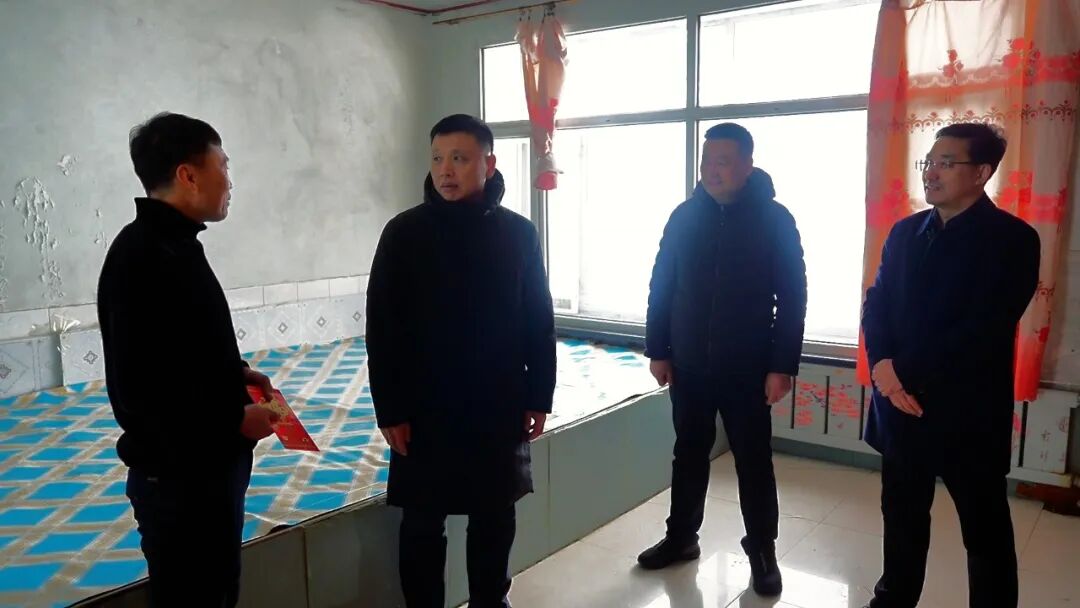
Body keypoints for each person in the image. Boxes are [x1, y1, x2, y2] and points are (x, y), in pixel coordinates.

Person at [366, 114, 556, 608]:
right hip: (424, 406)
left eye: (459, 158)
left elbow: (538, 317)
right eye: (437, 158)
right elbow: (382, 329)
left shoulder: (518, 234)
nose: (446, 170)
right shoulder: (404, 234)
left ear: (488, 164)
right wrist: (390, 409)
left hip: (497, 400)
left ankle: (490, 599)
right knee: (422, 520)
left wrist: (539, 394)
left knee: (495, 513)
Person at [98, 112, 281, 608]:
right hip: (179, 481)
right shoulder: (143, 256)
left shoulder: (176, 245)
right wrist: (233, 420)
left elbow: (178, 352)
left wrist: (237, 374)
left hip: (204, 472)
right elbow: (141, 392)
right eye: (223, 165)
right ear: (188, 174)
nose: (230, 180)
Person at [861, 123, 1040, 608]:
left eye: (946, 163)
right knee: (901, 517)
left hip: (968, 413)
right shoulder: (905, 232)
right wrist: (882, 367)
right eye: (929, 162)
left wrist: (900, 373)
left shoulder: (1013, 240)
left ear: (981, 173)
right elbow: (877, 302)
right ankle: (892, 600)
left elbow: (983, 327)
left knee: (984, 530)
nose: (931, 172)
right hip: (901, 409)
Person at [639, 122, 807, 597]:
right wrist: (658, 348)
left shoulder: (774, 220)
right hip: (688, 363)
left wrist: (782, 365)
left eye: (724, 161)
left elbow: (793, 296)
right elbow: (661, 284)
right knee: (688, 454)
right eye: (706, 161)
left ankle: (762, 551)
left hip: (748, 367)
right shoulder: (684, 217)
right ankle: (681, 537)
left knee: (753, 461)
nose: (712, 170)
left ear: (748, 165)